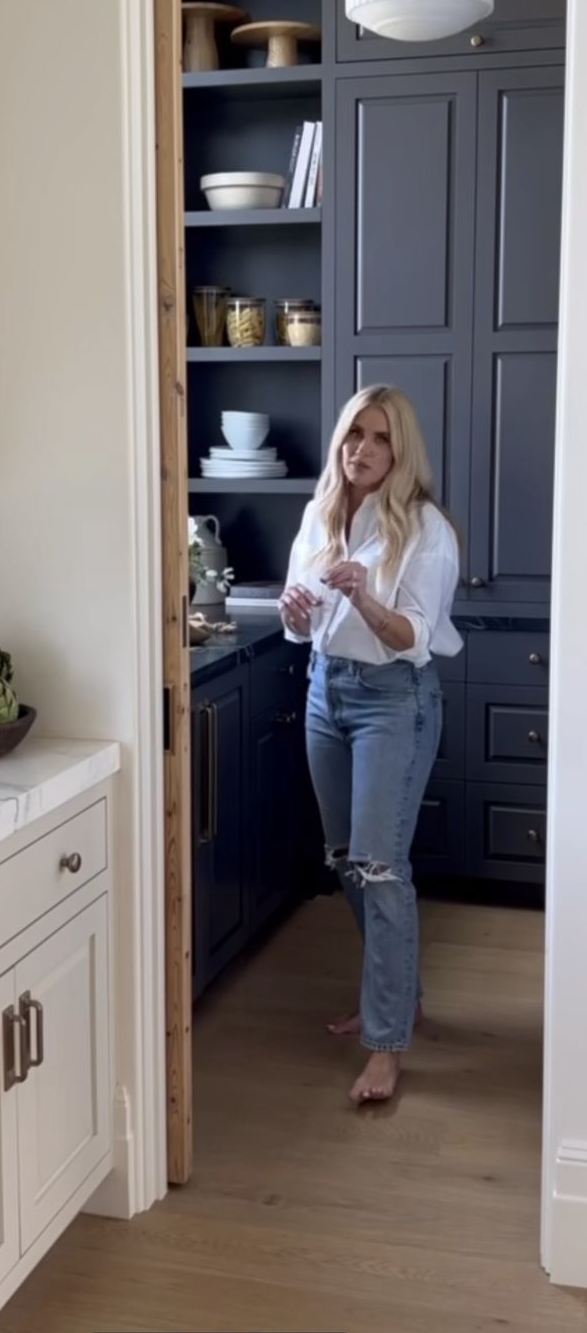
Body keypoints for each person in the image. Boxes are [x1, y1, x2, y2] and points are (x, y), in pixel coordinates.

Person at [279, 385, 462, 1106]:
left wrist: (363, 596)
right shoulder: (318, 516)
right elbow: (301, 625)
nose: (363, 449)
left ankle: (385, 1045)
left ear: (401, 449)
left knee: (381, 868)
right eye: (354, 434)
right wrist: (297, 614)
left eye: (380, 438)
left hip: (394, 700)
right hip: (326, 691)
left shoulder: (426, 530)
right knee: (346, 862)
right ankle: (399, 997)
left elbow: (414, 637)